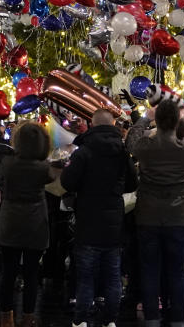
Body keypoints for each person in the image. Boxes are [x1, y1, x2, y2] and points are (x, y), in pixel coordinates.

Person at [125, 100, 184, 327]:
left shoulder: (146, 148)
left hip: (148, 215)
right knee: (178, 273)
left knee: (150, 271)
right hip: (178, 217)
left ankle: (151, 319)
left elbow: (131, 141)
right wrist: (183, 121)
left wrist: (144, 118)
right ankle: (178, 320)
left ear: (157, 121)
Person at [60, 109, 138, 327]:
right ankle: (110, 320)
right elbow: (132, 183)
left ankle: (81, 319)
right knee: (113, 276)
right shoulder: (122, 152)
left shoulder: (83, 151)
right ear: (113, 124)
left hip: (87, 219)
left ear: (92, 125)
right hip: (114, 221)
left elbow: (67, 182)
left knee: (86, 276)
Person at [0, 121, 60, 327]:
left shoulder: (7, 163)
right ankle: (28, 317)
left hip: (10, 220)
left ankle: (6, 317)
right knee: (32, 273)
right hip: (35, 222)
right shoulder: (43, 168)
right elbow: (52, 177)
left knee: (8, 272)